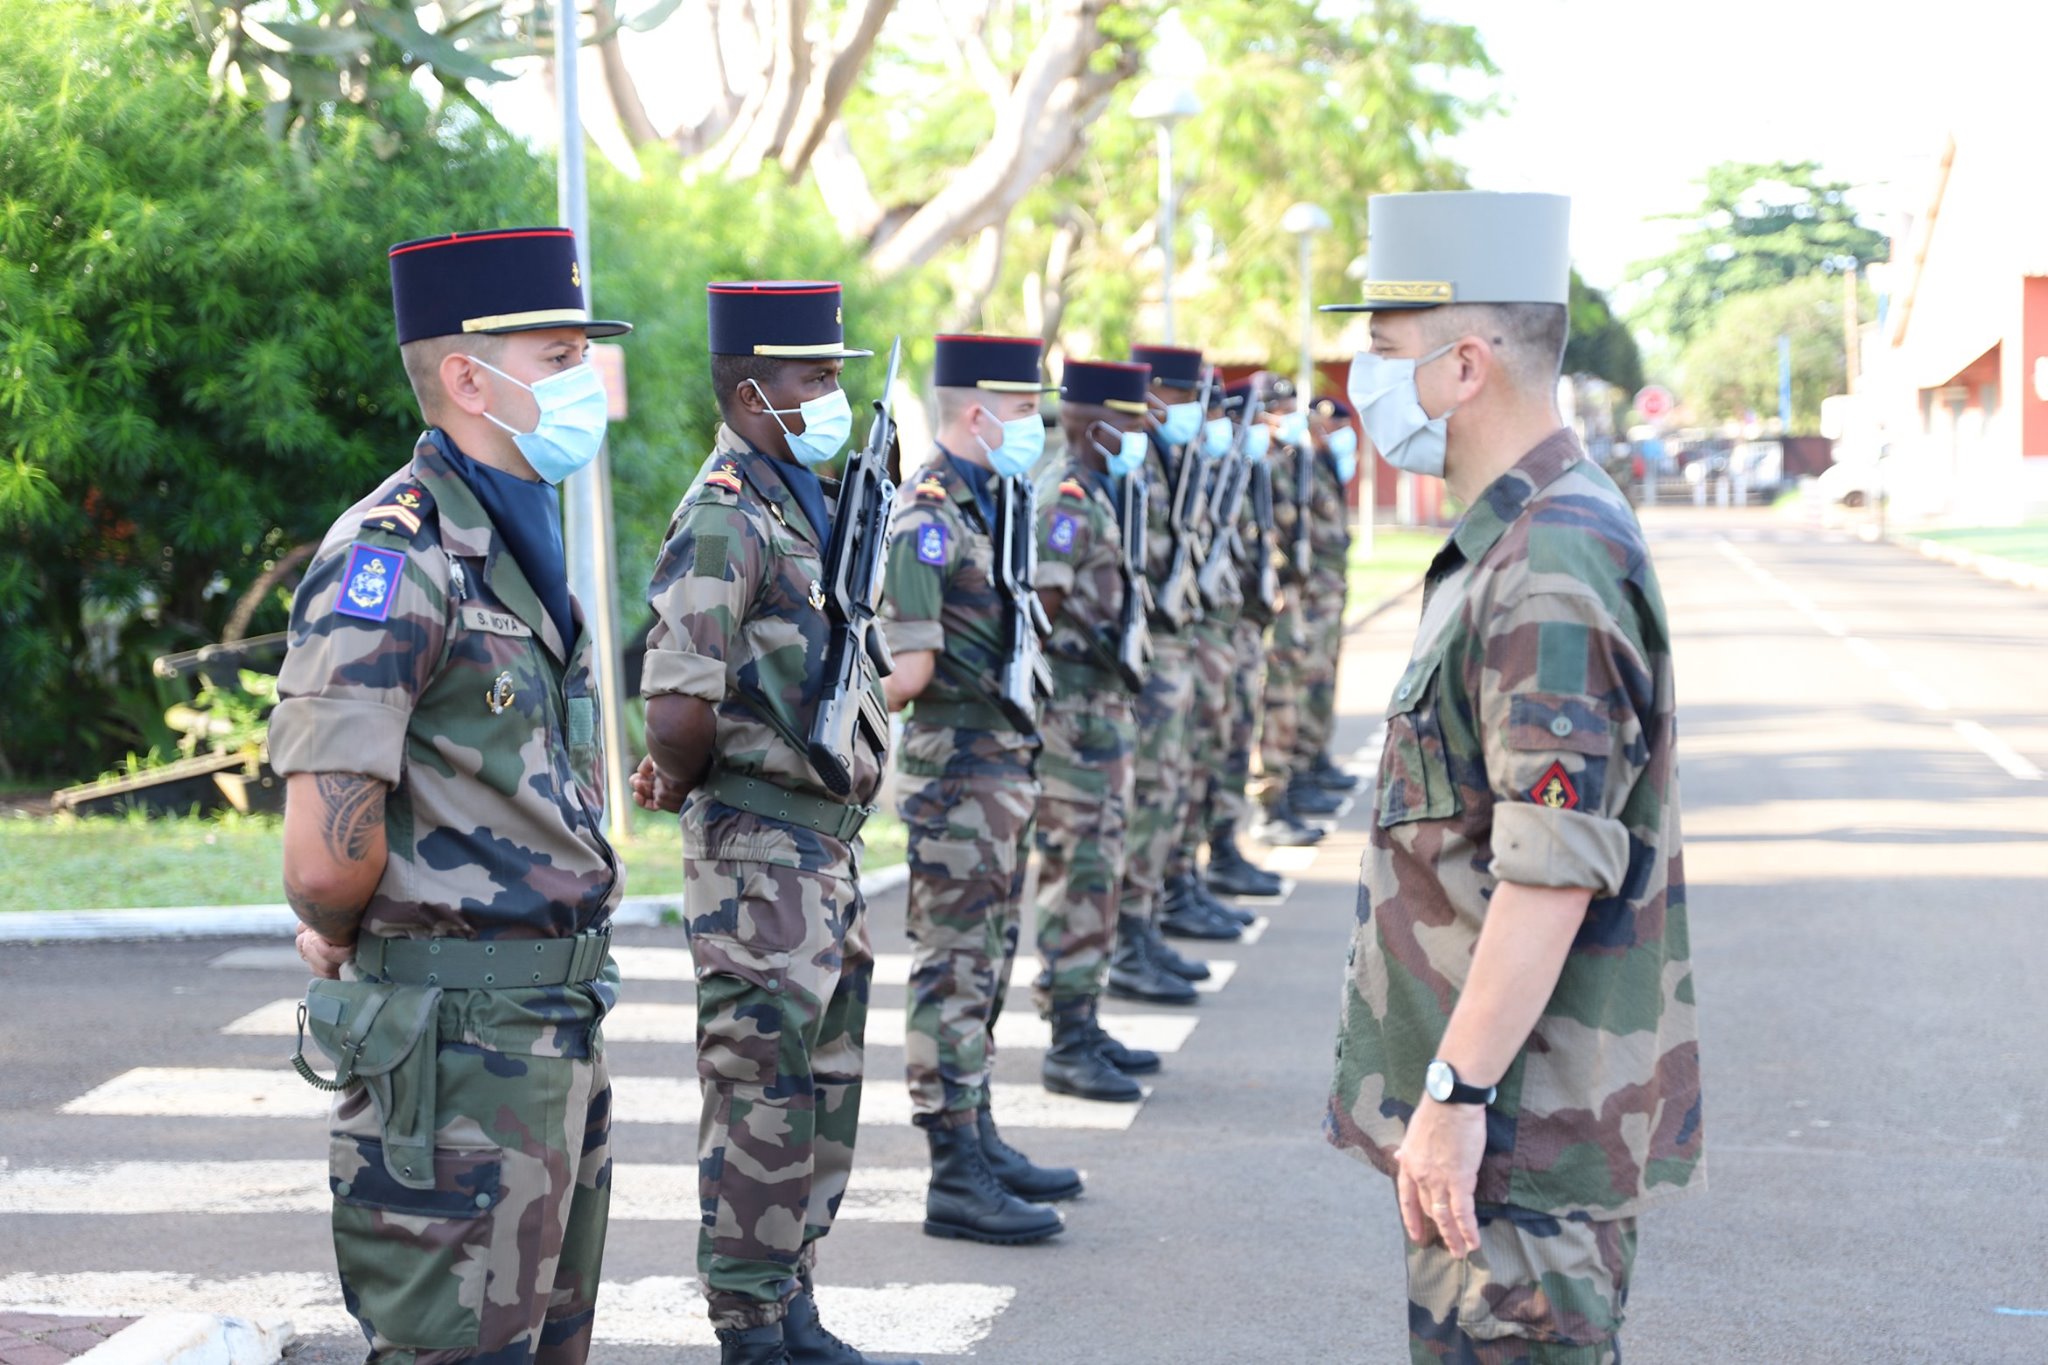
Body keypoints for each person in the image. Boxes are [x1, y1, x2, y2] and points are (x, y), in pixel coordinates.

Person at [1321, 190, 1705, 1363]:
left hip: (1521, 1134)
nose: (1363, 380)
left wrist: (1451, 1096)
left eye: (1383, 351)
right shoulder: (1517, 537)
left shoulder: (1548, 558)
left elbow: (1548, 877)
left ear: (1464, 364)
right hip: (1507, 1123)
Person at [273, 225, 628, 1364]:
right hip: (455, 1045)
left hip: (548, 1025)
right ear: (468, 378)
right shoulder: (393, 558)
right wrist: (333, 927)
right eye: (559, 356)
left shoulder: (515, 543)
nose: (587, 383)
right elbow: (326, 848)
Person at [633, 281, 913, 1365]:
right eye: (813, 379)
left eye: (838, 374)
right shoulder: (722, 514)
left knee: (820, 1088)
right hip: (757, 852)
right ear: (752, 392)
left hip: (818, 851)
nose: (831, 395)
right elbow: (676, 702)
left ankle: (792, 1302)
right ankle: (748, 1327)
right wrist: (678, 773)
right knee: (760, 1092)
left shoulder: (800, 503)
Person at [877, 333, 1072, 1245]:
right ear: (976, 414)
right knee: (954, 969)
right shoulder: (925, 518)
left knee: (986, 962)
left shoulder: (989, 503)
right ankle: (953, 1170)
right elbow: (905, 669)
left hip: (997, 771)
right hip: (956, 779)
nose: (1037, 427)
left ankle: (981, 1135)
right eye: (1026, 412)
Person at [1029, 356, 1159, 1102]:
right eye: (1131, 421)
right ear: (1091, 421)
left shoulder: (1102, 492)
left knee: (1101, 867)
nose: (1141, 434)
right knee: (1078, 870)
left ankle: (1085, 1014)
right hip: (1073, 720)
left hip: (1101, 714)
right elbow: (1043, 617)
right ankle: (1067, 1037)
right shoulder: (1068, 500)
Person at [1257, 375, 1343, 840]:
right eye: (1281, 410)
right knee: (1276, 700)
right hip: (1275, 601)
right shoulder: (1262, 466)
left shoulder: (1294, 462)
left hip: (1298, 595)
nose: (1291, 419)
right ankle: (1272, 803)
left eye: (1294, 409)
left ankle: (1290, 786)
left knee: (1294, 692)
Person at [1293, 395, 1364, 799]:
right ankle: (1300, 770)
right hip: (1311, 593)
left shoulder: (1325, 467)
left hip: (1329, 591)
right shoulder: (1301, 466)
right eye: (1333, 428)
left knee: (1324, 679)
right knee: (1308, 681)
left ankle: (1316, 756)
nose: (1340, 436)